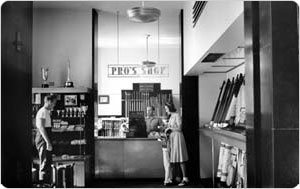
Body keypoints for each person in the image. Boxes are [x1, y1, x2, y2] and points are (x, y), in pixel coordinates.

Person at [164, 102, 189, 186]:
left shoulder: (177, 115)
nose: (166, 110)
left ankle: (185, 179)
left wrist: (169, 128)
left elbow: (179, 128)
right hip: (173, 138)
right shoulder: (171, 116)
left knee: (181, 157)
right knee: (175, 158)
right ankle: (178, 178)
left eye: (166, 108)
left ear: (170, 108)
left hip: (178, 137)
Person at [35, 95, 57, 184]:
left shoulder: (46, 112)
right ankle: (43, 184)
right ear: (49, 101)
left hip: (45, 138)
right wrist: (48, 142)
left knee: (47, 162)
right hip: (43, 139)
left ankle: (47, 184)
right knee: (44, 163)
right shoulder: (43, 112)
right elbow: (41, 128)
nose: (54, 105)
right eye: (54, 102)